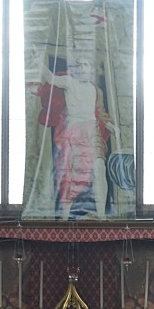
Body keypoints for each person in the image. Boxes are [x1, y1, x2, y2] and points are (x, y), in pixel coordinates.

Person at [33, 56, 118, 220]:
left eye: (85, 65)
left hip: (92, 132)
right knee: (71, 173)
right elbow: (51, 78)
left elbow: (100, 113)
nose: (82, 68)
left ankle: (101, 216)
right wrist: (38, 61)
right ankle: (65, 214)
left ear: (91, 69)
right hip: (73, 132)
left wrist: (110, 126)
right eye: (79, 65)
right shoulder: (69, 82)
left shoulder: (95, 90)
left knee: (99, 168)